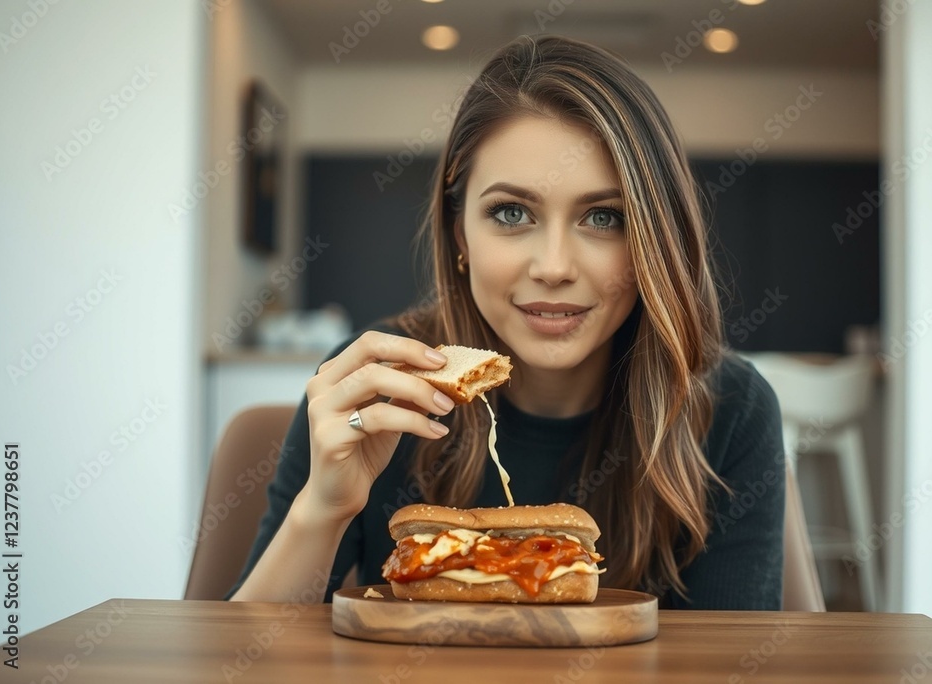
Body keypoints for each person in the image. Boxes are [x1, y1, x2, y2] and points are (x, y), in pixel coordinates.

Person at [227, 34, 785, 609]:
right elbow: (242, 660)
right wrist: (324, 508)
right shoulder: (373, 390)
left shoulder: (728, 410)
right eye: (511, 213)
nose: (553, 267)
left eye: (603, 217)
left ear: (653, 239)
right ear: (459, 233)